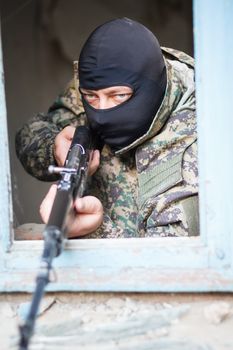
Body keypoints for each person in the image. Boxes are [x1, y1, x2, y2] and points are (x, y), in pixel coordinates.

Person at [15, 18, 198, 239]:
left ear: (152, 86)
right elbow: (28, 134)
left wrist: (92, 230)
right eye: (91, 97)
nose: (101, 112)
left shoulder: (205, 125)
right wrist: (53, 148)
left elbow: (173, 259)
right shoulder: (95, 84)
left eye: (118, 96)